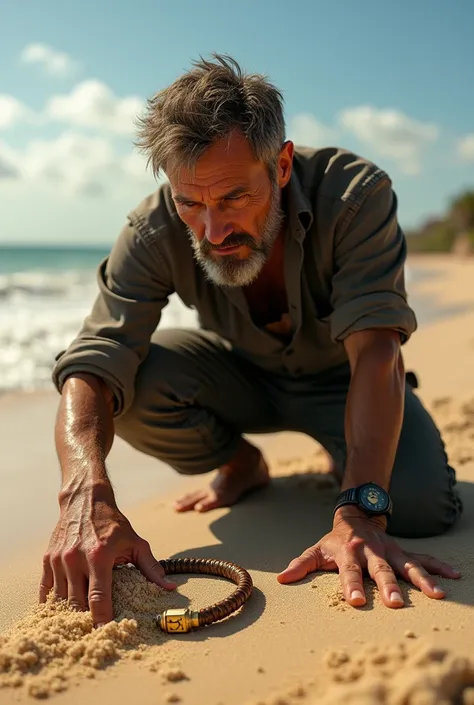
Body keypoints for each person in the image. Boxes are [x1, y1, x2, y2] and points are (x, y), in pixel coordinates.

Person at [42, 54, 463, 628]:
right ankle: (244, 463)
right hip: (241, 379)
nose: (212, 231)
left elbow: (377, 351)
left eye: (234, 197)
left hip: (348, 382)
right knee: (132, 385)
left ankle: (345, 455)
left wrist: (360, 513)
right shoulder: (151, 230)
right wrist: (83, 494)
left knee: (418, 508)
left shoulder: (357, 196)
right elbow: (93, 358)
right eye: (191, 202)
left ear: (282, 164)